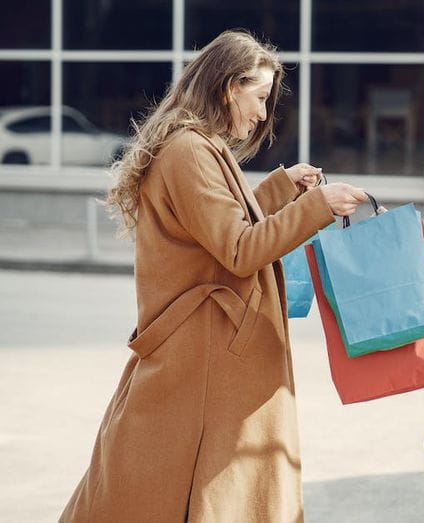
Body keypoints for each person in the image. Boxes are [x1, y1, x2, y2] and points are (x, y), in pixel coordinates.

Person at [60, 30, 368, 522]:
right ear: (229, 87)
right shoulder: (189, 151)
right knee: (203, 488)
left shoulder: (195, 147)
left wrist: (279, 189)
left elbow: (217, 233)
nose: (263, 114)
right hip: (207, 350)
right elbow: (240, 249)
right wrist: (316, 207)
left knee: (185, 483)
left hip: (206, 347)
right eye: (260, 97)